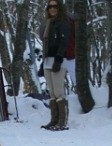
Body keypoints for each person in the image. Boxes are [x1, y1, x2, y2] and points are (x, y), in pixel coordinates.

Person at [41, 1, 70, 131]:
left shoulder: (63, 22)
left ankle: (62, 122)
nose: (52, 9)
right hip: (47, 59)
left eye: (55, 6)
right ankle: (54, 120)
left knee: (59, 92)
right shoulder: (48, 22)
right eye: (50, 6)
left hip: (58, 59)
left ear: (59, 8)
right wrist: (43, 61)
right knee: (52, 92)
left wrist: (58, 59)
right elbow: (46, 43)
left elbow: (64, 42)